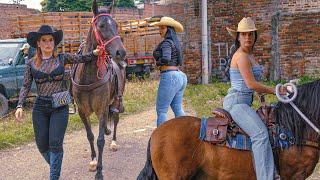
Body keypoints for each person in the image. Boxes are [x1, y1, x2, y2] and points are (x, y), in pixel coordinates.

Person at [14, 25, 100, 180]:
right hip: (40, 105)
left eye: (51, 40)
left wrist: (94, 53)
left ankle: (54, 176)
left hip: (60, 103)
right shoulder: (31, 64)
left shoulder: (62, 58)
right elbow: (26, 86)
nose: (48, 43)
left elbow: (82, 58)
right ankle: (56, 165)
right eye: (44, 40)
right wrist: (19, 105)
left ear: (54, 42)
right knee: (42, 145)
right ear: (38, 44)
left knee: (55, 143)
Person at [223, 17, 286, 180]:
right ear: (238, 37)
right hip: (236, 104)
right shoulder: (242, 57)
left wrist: (263, 101)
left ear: (255, 36)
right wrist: (275, 90)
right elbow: (251, 84)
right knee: (260, 134)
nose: (247, 38)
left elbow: (255, 85)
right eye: (243, 34)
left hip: (245, 102)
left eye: (251, 34)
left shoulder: (250, 55)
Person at [150, 16, 188, 127]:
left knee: (161, 111)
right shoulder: (175, 42)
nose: (160, 30)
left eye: (163, 28)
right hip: (180, 76)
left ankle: (161, 141)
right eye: (160, 28)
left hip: (170, 76)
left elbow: (166, 58)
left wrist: (158, 63)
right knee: (177, 108)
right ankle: (186, 133)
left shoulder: (166, 43)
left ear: (169, 30)